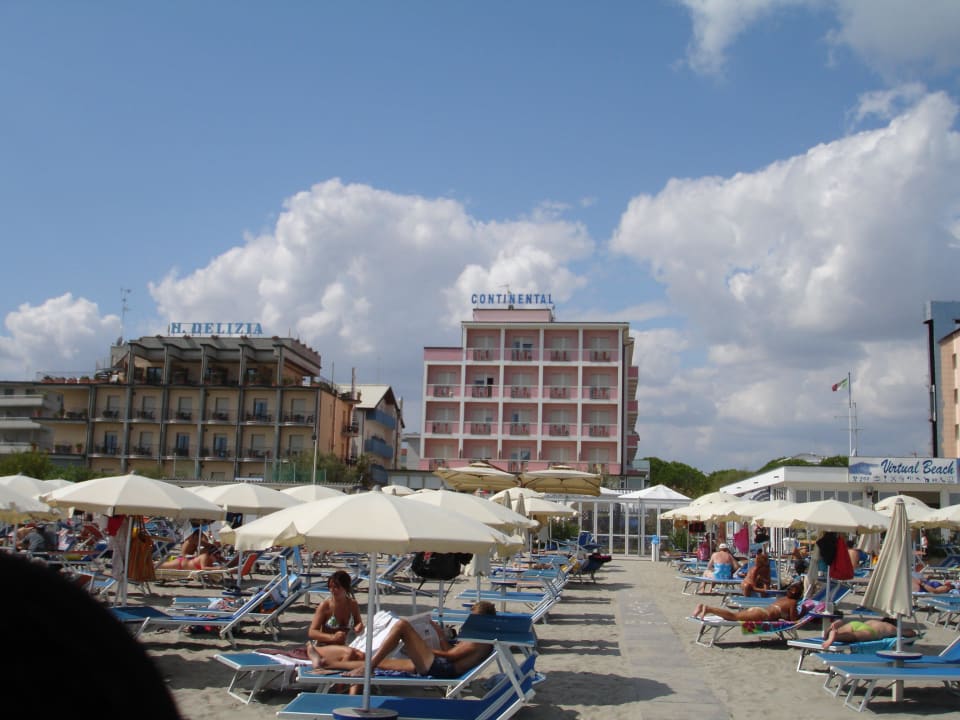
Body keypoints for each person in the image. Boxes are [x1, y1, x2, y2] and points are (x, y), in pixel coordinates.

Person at [305, 600, 497, 681]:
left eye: (473, 616)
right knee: (381, 663)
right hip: (439, 665)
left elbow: (450, 655)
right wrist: (438, 634)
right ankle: (325, 662)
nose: (470, 620)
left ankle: (369, 666)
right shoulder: (480, 637)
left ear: (482, 618)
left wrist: (419, 647)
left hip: (441, 668)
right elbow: (450, 652)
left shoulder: (479, 640)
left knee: (403, 626)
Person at [693, 581, 805, 622]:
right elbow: (793, 619)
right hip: (763, 614)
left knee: (734, 616)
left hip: (760, 611)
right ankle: (708, 609)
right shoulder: (792, 603)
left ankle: (705, 607)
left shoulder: (782, 599)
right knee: (733, 617)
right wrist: (803, 612)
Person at [307, 570, 364, 645]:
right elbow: (312, 632)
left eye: (336, 587)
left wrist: (358, 627)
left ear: (345, 587)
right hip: (326, 645)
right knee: (349, 653)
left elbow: (358, 623)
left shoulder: (352, 604)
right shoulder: (325, 606)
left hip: (346, 644)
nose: (332, 590)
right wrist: (332, 637)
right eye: (330, 587)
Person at [822, 617, 918, 649]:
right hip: (870, 632)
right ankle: (835, 637)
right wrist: (913, 633)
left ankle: (831, 632)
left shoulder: (874, 621)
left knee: (840, 632)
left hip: (856, 624)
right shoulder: (891, 627)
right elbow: (909, 633)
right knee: (853, 637)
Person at [157, 542, 223, 570]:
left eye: (217, 557)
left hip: (183, 564)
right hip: (180, 564)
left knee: (159, 565)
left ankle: (149, 564)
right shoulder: (204, 556)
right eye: (216, 557)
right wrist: (217, 568)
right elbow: (203, 568)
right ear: (211, 554)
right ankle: (148, 564)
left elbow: (209, 569)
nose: (216, 559)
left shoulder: (209, 560)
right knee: (158, 566)